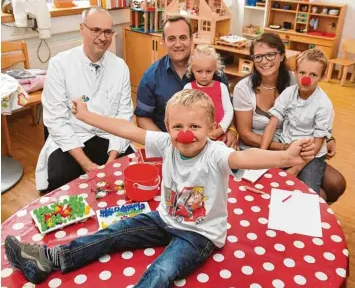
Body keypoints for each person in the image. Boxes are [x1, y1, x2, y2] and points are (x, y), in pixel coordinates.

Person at [5, 89, 315, 287]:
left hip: (200, 234)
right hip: (165, 217)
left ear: (210, 129)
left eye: (194, 127)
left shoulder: (215, 153)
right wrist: (87, 116)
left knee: (162, 271)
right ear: (168, 128)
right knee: (113, 232)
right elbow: (128, 128)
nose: (185, 134)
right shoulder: (166, 143)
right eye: (178, 126)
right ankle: (51, 258)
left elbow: (245, 156)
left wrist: (284, 156)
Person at [233, 32, 346, 202]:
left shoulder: (296, 80)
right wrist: (283, 148)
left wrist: (328, 136)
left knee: (336, 184)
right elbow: (246, 134)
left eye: (270, 54)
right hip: (264, 146)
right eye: (258, 56)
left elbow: (316, 111)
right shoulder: (244, 88)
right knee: (314, 195)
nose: (264, 61)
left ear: (281, 56)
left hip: (300, 146)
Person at [35, 7, 134, 192]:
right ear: (82, 29)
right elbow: (55, 120)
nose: (102, 37)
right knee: (61, 182)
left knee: (129, 175)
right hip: (72, 140)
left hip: (108, 136)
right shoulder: (60, 65)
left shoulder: (120, 67)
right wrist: (87, 165)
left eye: (107, 32)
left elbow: (124, 116)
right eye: (95, 30)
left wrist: (111, 161)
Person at [134, 15, 238, 148]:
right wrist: (168, 144)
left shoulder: (213, 70)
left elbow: (227, 106)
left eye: (183, 37)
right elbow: (142, 118)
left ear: (191, 39)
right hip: (169, 145)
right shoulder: (150, 77)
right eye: (171, 39)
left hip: (213, 145)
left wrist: (232, 130)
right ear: (163, 41)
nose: (178, 44)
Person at [260, 49, 333, 194]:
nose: (306, 79)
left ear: (322, 77)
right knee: (268, 183)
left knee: (308, 193)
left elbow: (317, 144)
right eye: (302, 73)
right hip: (287, 146)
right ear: (296, 72)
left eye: (313, 75)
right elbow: (273, 123)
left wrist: (296, 168)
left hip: (311, 156)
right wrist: (261, 154)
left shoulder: (324, 105)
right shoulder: (288, 93)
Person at [184, 45, 233, 140]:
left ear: (215, 69)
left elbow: (229, 111)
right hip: (196, 137)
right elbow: (185, 112)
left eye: (208, 71)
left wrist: (221, 129)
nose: (204, 76)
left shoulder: (221, 87)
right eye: (199, 71)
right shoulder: (188, 88)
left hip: (219, 137)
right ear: (192, 69)